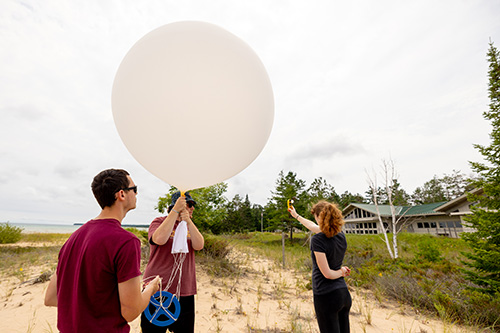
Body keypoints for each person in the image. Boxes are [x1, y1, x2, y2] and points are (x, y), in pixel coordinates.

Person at [44, 169, 160, 333]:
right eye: (135, 189)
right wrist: (151, 289)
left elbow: (51, 297)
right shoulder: (126, 241)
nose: (136, 194)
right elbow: (130, 312)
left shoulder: (73, 238)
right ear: (122, 194)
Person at [141, 191, 205, 333]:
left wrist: (188, 221)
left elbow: (199, 245)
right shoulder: (158, 222)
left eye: (193, 205)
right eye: (189, 204)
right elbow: (159, 239)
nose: (192, 208)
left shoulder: (188, 226)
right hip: (156, 289)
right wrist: (175, 211)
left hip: (184, 290)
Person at [289, 200, 352, 333]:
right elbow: (313, 226)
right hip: (343, 295)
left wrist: (341, 271)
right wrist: (296, 215)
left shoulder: (318, 240)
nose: (315, 220)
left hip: (326, 295)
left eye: (315, 217)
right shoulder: (341, 236)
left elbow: (327, 274)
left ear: (320, 217)